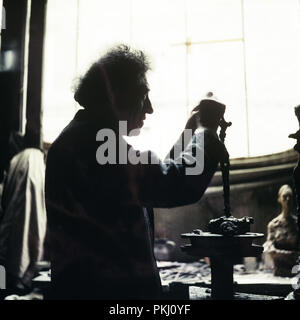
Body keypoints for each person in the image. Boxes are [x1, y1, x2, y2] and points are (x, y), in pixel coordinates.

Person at [45, 44, 227, 299]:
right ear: (116, 95)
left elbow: (156, 177)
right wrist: (206, 132)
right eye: (143, 94)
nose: (149, 107)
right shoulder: (95, 145)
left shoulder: (85, 137)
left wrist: (190, 131)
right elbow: (173, 185)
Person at [0, 132, 47, 292]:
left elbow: (5, 200)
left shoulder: (18, 160)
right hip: (27, 229)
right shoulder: (34, 160)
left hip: (10, 233)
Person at [264, 185, 299, 277]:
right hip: (279, 272)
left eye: (290, 197)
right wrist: (292, 255)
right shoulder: (273, 225)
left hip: (296, 272)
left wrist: (280, 254)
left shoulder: (297, 224)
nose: (287, 199)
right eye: (284, 196)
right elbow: (270, 250)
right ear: (279, 199)